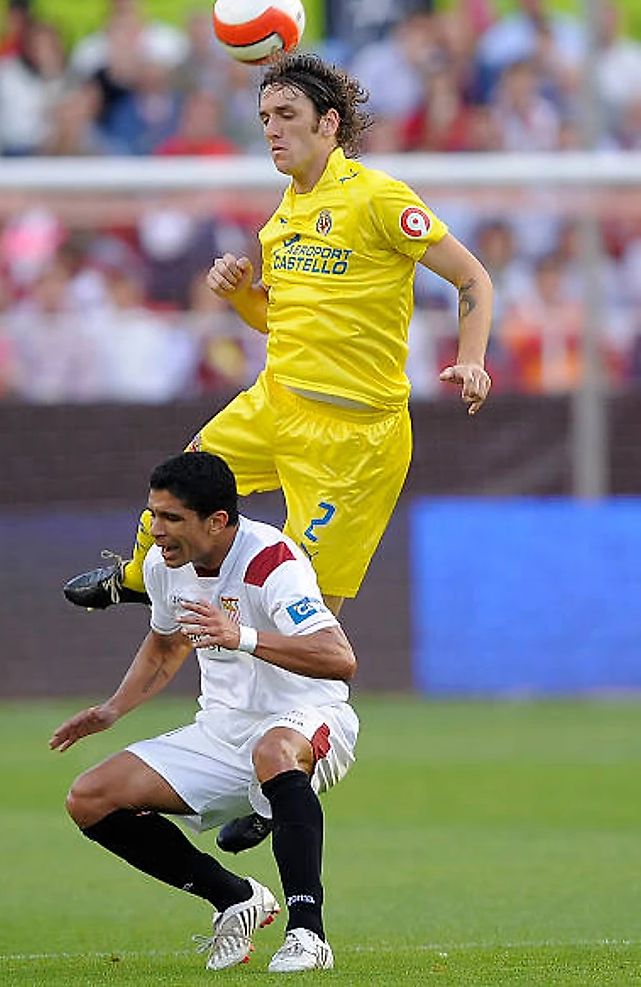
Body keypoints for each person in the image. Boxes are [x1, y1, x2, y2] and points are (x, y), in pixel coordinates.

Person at [63, 51, 493, 847]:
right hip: (277, 402)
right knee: (179, 484)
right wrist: (241, 299)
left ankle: (278, 780)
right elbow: (286, 324)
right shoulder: (281, 216)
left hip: (355, 439)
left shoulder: (379, 200)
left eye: (287, 117)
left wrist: (472, 356)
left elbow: (472, 280)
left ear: (330, 125)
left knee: (303, 607)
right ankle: (131, 579)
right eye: (264, 119)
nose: (273, 131)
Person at [51, 452, 358, 973]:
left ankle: (308, 934)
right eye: (153, 515)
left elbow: (339, 658)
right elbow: (166, 646)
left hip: (307, 717)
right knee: (90, 798)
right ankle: (236, 898)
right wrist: (112, 710)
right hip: (221, 732)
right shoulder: (162, 566)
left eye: (171, 518)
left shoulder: (271, 562)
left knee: (274, 749)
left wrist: (243, 637)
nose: (156, 530)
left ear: (217, 521)